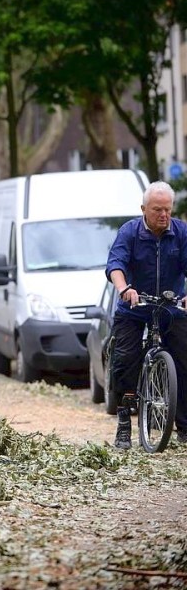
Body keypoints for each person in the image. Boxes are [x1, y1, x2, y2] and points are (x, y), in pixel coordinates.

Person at [106, 180, 187, 449]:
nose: (163, 215)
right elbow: (115, 265)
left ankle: (184, 426)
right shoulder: (129, 232)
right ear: (143, 209)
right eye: (156, 210)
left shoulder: (181, 232)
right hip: (134, 308)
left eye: (167, 210)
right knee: (125, 360)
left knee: (184, 360)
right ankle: (124, 424)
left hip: (170, 307)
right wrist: (124, 289)